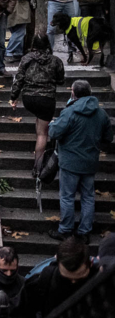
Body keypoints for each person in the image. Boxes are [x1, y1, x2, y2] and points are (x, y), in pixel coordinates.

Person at [47, 79, 113, 242]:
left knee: (67, 197)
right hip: (90, 162)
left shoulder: (70, 112)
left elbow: (54, 133)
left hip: (70, 162)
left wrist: (53, 124)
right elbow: (108, 137)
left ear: (73, 93)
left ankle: (65, 229)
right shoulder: (101, 114)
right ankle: (84, 232)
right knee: (88, 197)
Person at [9, 35, 64, 175]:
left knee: (39, 120)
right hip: (46, 99)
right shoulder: (56, 61)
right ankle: (38, 167)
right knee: (42, 134)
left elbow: (19, 79)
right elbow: (61, 80)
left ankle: (38, 160)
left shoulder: (26, 58)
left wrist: (13, 97)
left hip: (29, 98)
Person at [22, 237, 99, 317]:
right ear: (58, 263)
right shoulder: (44, 280)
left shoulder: (101, 281)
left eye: (80, 278)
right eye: (66, 278)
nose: (73, 282)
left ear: (91, 263)